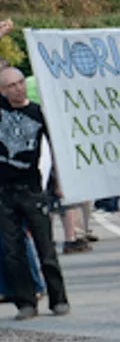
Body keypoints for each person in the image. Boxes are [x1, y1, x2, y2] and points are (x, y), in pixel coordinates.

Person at [0, 66, 69, 320]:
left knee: (45, 247)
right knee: (12, 250)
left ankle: (58, 298)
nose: (18, 88)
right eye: (11, 86)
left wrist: (60, 182)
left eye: (20, 82)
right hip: (4, 191)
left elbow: (57, 147)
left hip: (31, 188)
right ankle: (25, 301)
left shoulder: (39, 114)